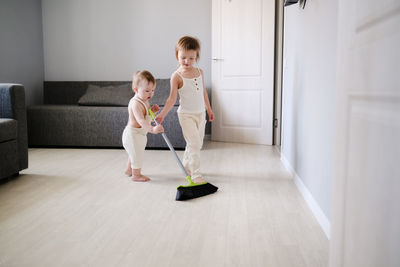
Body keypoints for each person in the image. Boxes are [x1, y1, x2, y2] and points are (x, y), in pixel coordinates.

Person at [156, 36, 214, 184]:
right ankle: (195, 174)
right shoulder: (176, 76)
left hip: (201, 114)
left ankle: (187, 166)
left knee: (196, 144)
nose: (187, 61)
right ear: (177, 56)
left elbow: (203, 93)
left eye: (191, 58)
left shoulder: (200, 72)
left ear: (196, 57)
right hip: (186, 115)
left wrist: (209, 109)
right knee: (194, 143)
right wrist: (162, 114)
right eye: (183, 58)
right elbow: (171, 99)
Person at [122, 70, 164, 182]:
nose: (151, 94)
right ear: (136, 89)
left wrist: (152, 111)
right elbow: (141, 121)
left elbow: (146, 116)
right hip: (132, 134)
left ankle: (128, 170)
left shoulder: (145, 100)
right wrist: (152, 129)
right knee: (137, 155)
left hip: (139, 134)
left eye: (153, 90)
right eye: (147, 91)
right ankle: (136, 175)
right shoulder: (135, 103)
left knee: (134, 153)